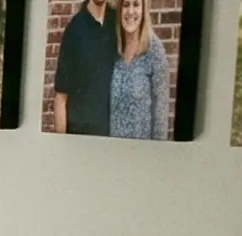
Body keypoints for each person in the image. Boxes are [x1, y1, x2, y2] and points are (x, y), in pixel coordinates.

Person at [54, 0, 118, 135]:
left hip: (112, 137)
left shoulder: (118, 24)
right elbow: (61, 96)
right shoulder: (75, 29)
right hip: (80, 135)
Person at [110, 0, 169, 140]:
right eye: (126, 5)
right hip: (112, 151)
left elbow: (161, 115)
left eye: (136, 4)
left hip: (141, 153)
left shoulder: (154, 51)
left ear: (143, 10)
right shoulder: (113, 49)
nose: (130, 11)